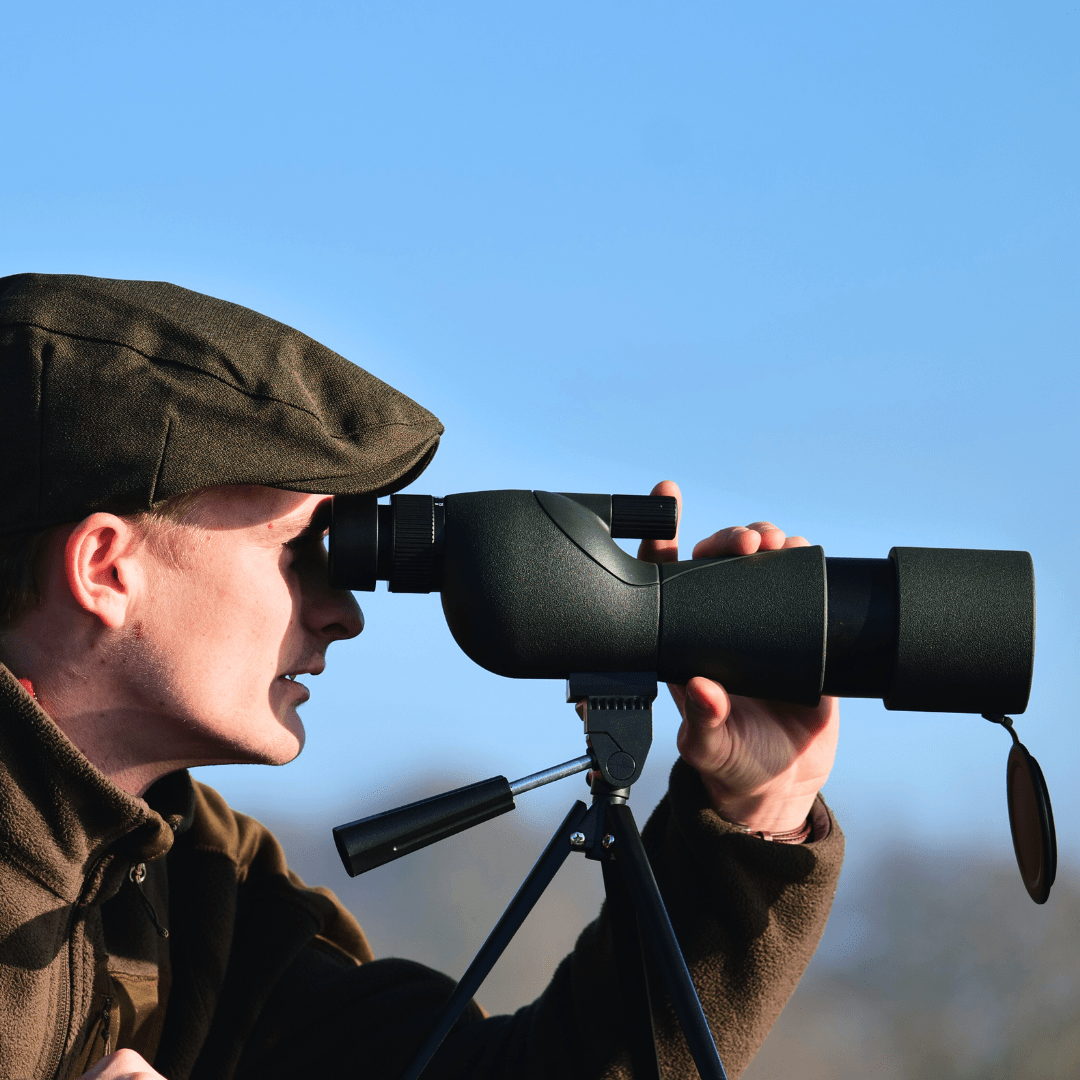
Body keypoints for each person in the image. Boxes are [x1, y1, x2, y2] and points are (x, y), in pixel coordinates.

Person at [0, 273, 842, 1080]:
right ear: (107, 567)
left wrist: (753, 815)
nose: (343, 612)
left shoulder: (191, 881)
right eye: (301, 551)